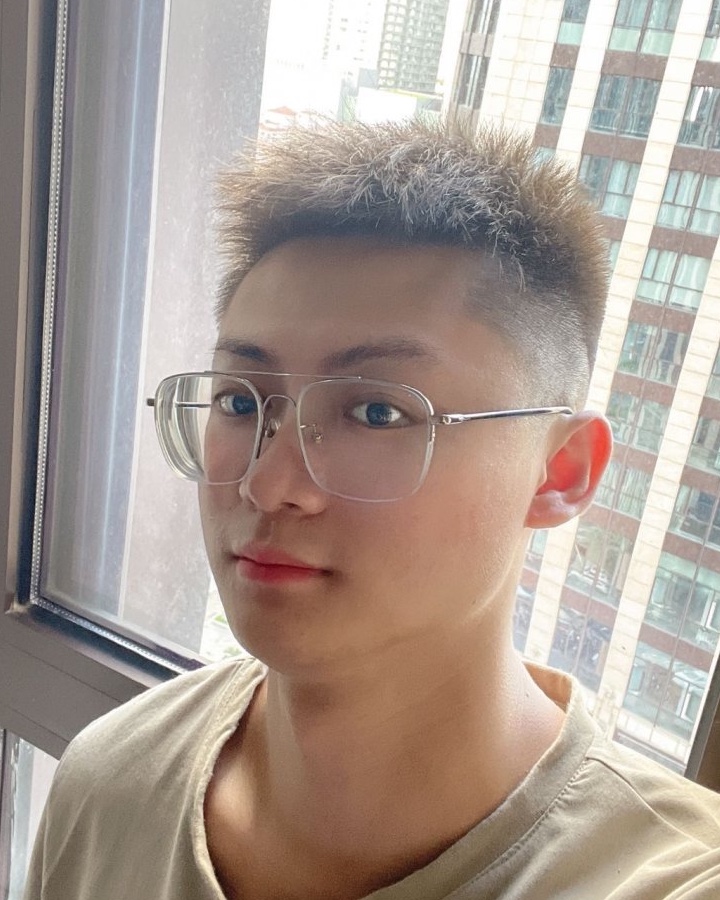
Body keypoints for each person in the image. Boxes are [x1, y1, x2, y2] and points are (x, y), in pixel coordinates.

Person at [23, 118, 720, 900]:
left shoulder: (668, 879)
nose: (269, 485)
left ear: (560, 471)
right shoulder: (114, 783)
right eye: (241, 401)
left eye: (378, 412)